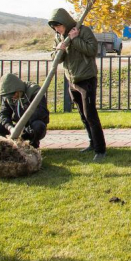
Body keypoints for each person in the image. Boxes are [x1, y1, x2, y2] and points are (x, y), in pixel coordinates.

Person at [48, 8, 106, 161]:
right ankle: (92, 143)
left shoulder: (83, 31)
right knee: (82, 114)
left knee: (90, 114)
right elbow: (56, 58)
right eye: (54, 27)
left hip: (86, 78)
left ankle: (100, 150)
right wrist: (59, 49)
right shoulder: (58, 37)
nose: (57, 29)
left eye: (58, 26)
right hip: (72, 80)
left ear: (65, 22)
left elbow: (92, 50)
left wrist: (75, 39)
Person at [0, 73, 49, 149]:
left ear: (18, 90)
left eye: (13, 95)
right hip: (16, 128)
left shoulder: (34, 91)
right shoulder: (8, 97)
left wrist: (23, 127)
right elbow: (3, 115)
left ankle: (32, 145)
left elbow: (42, 112)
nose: (12, 98)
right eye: (9, 96)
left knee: (39, 126)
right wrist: (10, 128)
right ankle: (6, 147)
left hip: (30, 126)